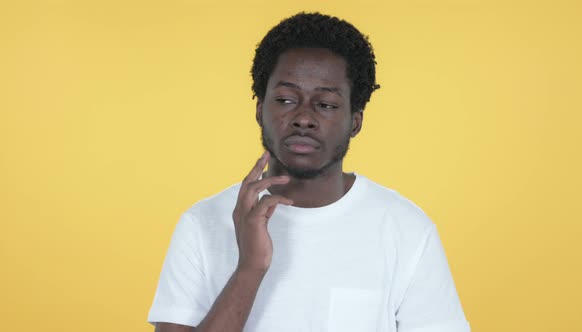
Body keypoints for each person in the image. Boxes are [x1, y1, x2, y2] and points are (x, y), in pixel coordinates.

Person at [148, 12, 470, 332]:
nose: (304, 118)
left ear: (355, 121)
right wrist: (249, 268)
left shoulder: (406, 230)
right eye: (286, 99)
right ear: (260, 110)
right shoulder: (202, 224)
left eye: (326, 104)